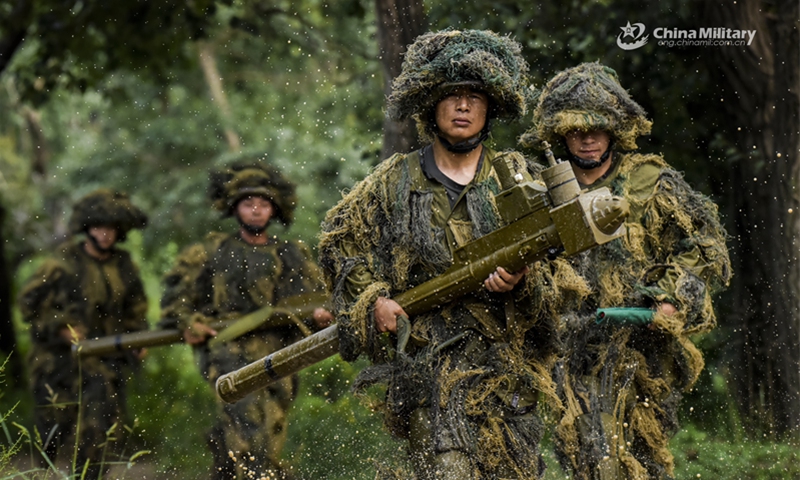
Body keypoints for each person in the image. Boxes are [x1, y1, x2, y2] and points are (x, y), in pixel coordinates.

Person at [318, 29, 567, 479]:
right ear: (432, 105)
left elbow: (562, 267)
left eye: (474, 95)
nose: (463, 105)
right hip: (430, 370)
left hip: (506, 372)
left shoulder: (520, 177)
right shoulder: (395, 182)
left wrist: (524, 279)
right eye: (451, 95)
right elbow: (340, 242)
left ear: (491, 106)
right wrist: (374, 299)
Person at [520, 62, 732, 479]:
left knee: (645, 461)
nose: (587, 138)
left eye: (597, 128)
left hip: (642, 350)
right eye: (576, 129)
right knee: (594, 463)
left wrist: (670, 299)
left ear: (616, 130)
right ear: (559, 132)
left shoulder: (648, 182)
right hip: (571, 352)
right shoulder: (540, 190)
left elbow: (703, 245)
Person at [159, 160, 333, 480]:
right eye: (248, 204)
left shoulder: (289, 254)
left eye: (263, 204)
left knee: (269, 431)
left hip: (280, 358)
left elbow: (313, 301)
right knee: (247, 431)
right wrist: (188, 322)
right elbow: (177, 298)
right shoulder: (213, 252)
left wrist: (320, 316)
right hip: (231, 355)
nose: (256, 210)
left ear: (274, 210)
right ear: (234, 209)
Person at [19, 189, 149, 478]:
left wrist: (138, 336)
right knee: (52, 431)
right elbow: (28, 303)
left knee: (97, 429)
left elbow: (135, 307)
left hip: (103, 362)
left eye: (111, 228)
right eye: (98, 227)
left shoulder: (124, 266)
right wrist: (59, 326)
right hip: (57, 363)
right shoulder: (61, 264)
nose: (105, 234)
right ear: (86, 228)